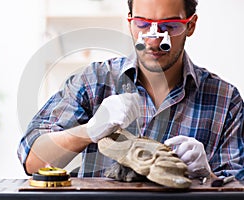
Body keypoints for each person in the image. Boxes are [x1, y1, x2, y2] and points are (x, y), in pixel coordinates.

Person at [17, 0, 244, 180]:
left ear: (190, 25)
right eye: (143, 24)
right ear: (129, 23)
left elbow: (236, 187)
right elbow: (32, 160)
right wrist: (88, 131)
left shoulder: (224, 100)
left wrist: (207, 175)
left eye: (170, 26)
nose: (154, 40)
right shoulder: (93, 81)